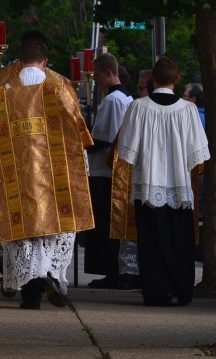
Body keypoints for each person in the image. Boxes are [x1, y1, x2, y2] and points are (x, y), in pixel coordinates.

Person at [0, 31, 94, 309]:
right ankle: (49, 276)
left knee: (19, 232)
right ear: (45, 60)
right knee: (50, 230)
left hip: (13, 176)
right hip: (52, 175)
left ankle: (25, 289)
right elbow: (77, 134)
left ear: (19, 58)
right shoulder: (60, 86)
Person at [114, 57, 209, 306]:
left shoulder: (139, 108)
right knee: (180, 241)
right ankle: (181, 290)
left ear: (152, 80)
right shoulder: (188, 110)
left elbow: (126, 152)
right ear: (176, 81)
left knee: (152, 241)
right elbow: (199, 154)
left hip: (148, 185)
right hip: (178, 185)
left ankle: (156, 292)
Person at [83, 53, 136, 290]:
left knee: (105, 225)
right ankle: (112, 271)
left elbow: (106, 137)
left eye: (97, 76)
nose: (96, 81)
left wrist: (81, 141)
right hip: (111, 170)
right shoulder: (126, 98)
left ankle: (111, 272)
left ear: (107, 73)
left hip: (104, 171)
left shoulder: (114, 100)